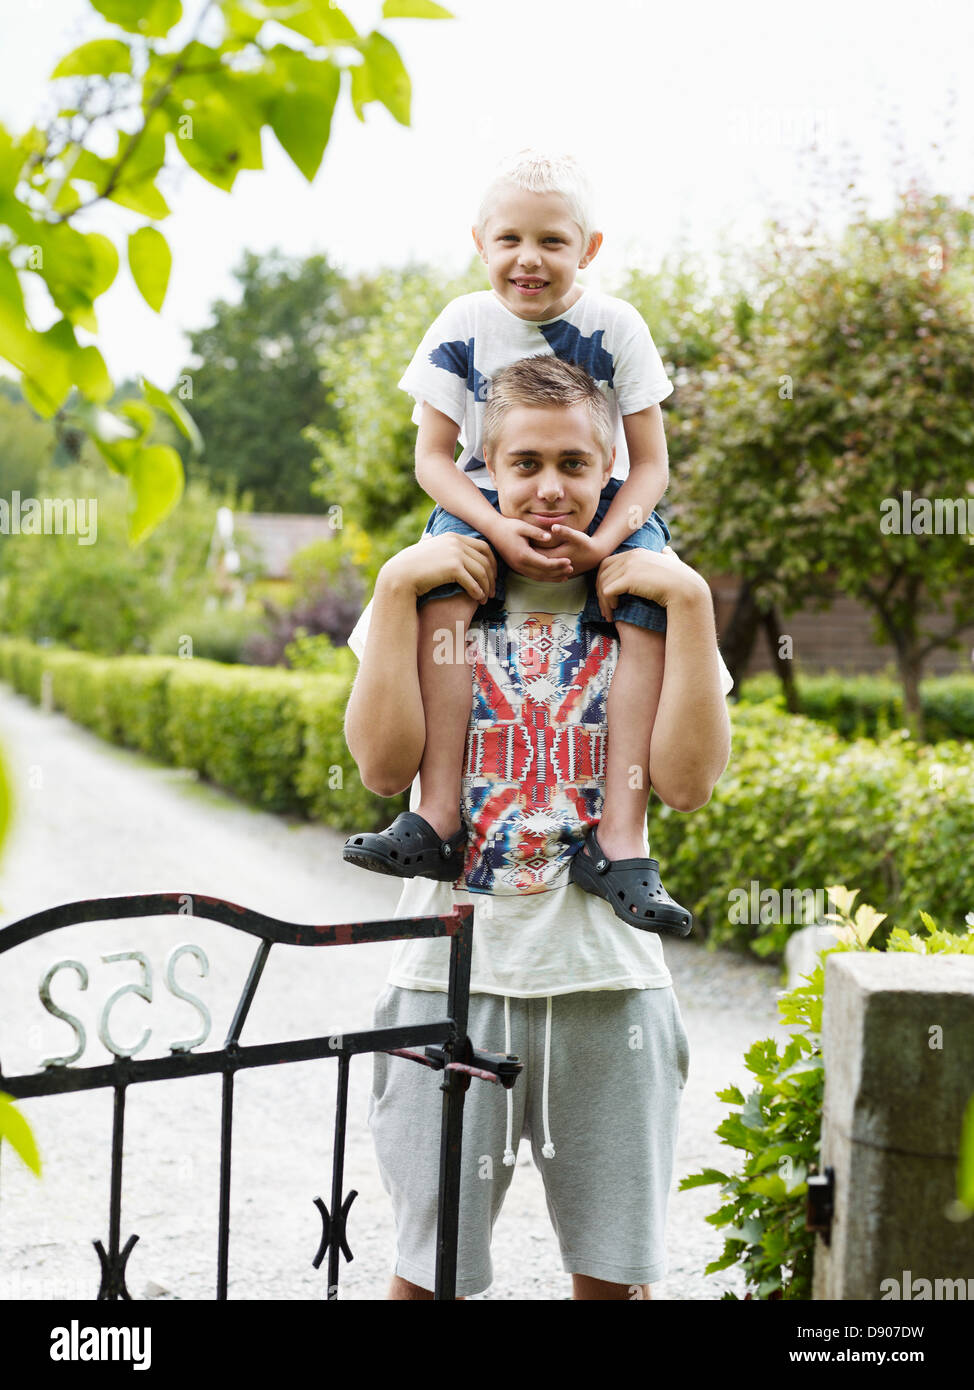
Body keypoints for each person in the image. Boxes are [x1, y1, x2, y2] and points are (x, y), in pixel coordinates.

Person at [343, 357, 733, 1300]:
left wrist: (694, 600)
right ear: (485, 465)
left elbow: (686, 783)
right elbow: (381, 769)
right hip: (447, 978)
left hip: (608, 986)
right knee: (425, 1277)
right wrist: (396, 586)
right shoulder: (435, 585)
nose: (550, 487)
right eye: (524, 462)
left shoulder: (650, 598)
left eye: (573, 462)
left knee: (614, 1281)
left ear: (613, 467)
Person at [342, 148, 690, 931]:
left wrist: (609, 543)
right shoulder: (463, 323)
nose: (528, 259)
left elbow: (653, 464)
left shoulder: (617, 326)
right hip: (483, 493)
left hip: (601, 500)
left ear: (589, 248)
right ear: (480, 242)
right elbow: (433, 457)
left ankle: (622, 840)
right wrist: (493, 524)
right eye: (509, 241)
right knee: (442, 586)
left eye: (552, 241)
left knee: (646, 611)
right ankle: (434, 818)